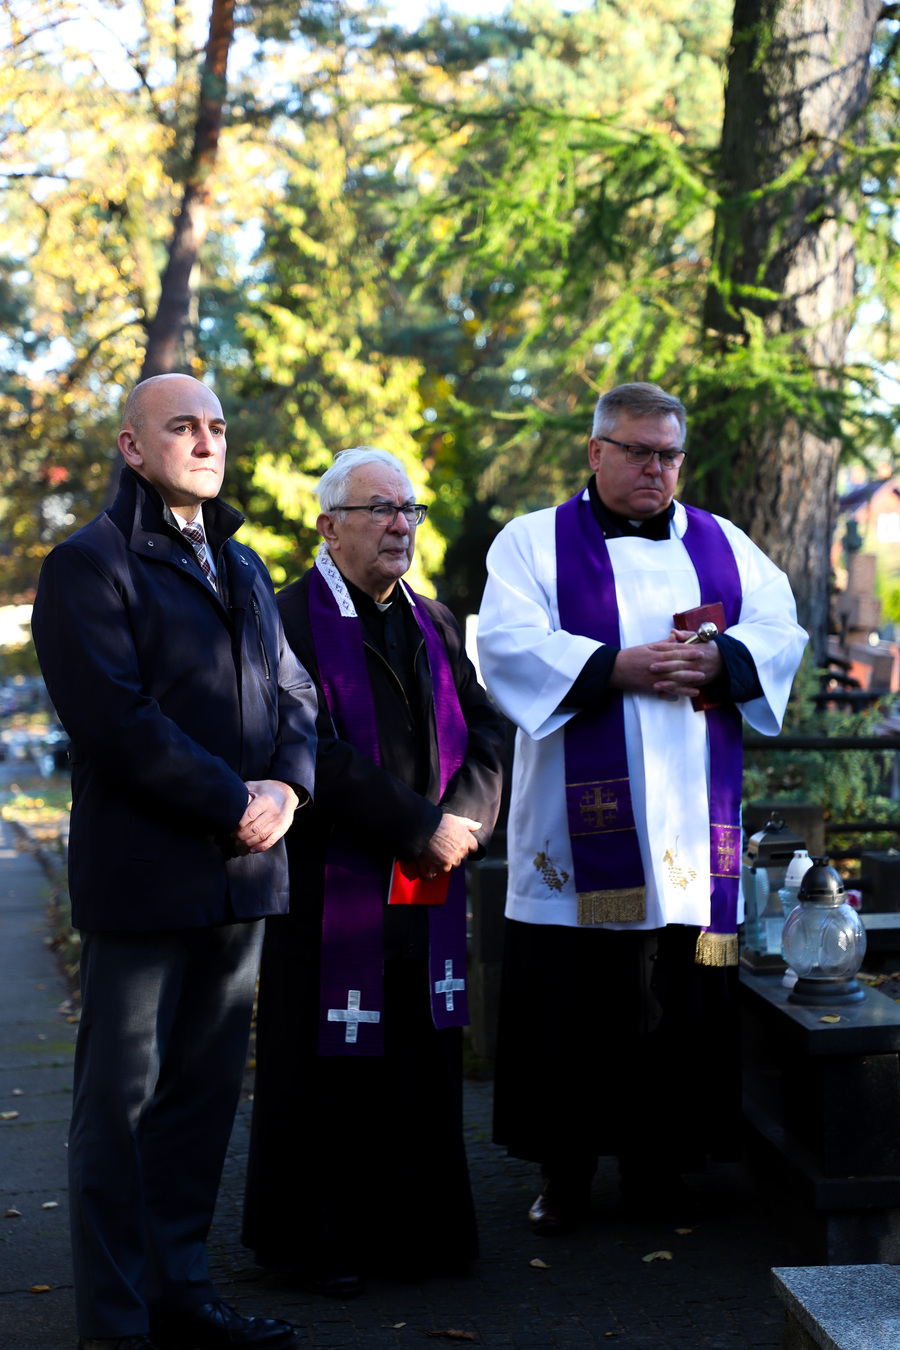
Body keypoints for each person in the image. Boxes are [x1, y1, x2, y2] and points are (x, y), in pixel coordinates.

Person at [476, 382, 807, 1232]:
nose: (655, 469)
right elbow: (505, 645)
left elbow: (782, 628)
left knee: (674, 994)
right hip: (575, 829)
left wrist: (724, 662)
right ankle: (567, 1172)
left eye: (668, 454)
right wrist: (614, 668)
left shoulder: (724, 543)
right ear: (595, 452)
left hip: (691, 825)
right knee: (574, 1002)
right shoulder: (533, 543)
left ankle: (662, 1169)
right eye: (636, 451)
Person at [31, 374, 318, 1350]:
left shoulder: (240, 565)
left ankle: (180, 1293)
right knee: (116, 1108)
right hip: (144, 876)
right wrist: (234, 798)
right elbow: (115, 721)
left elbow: (296, 699)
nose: (206, 441)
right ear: (132, 448)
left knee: (199, 1101)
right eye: (182, 427)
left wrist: (288, 788)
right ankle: (115, 1327)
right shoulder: (87, 564)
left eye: (217, 427)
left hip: (244, 874)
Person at [242, 447, 506, 1294]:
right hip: (329, 889)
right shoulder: (282, 621)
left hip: (424, 892)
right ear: (328, 525)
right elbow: (301, 747)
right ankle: (319, 1242)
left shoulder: (433, 619)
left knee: (418, 1069)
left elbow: (485, 731)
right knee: (325, 1069)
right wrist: (414, 825)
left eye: (409, 510)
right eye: (379, 510)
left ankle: (420, 1234)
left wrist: (464, 823)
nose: (401, 526)